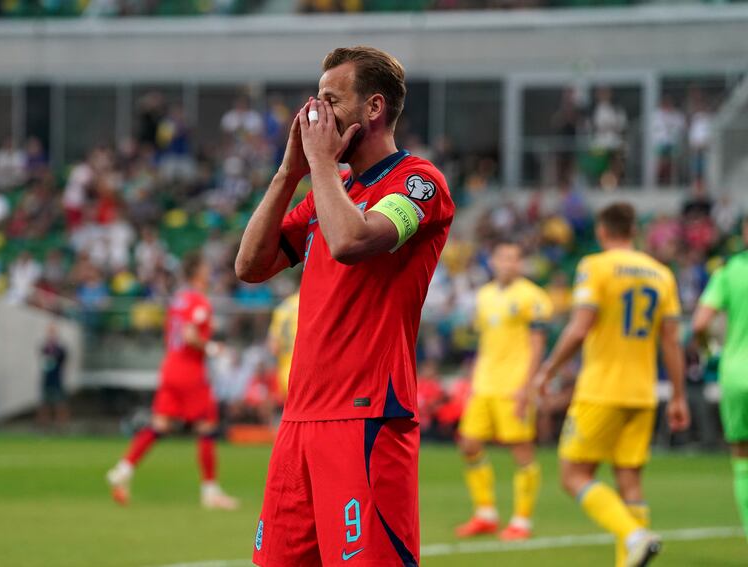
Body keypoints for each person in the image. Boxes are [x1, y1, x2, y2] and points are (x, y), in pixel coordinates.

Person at [235, 45, 454, 566]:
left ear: (373, 109)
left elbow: (352, 241)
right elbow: (249, 266)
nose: (317, 113)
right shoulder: (327, 189)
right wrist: (290, 173)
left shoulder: (419, 183)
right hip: (300, 418)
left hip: (366, 416)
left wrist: (320, 167)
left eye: (331, 100)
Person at [530, 203, 689, 567]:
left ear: (602, 232)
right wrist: (678, 396)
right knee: (629, 481)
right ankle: (632, 550)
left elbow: (580, 327)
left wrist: (549, 369)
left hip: (601, 389)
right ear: (634, 231)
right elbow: (671, 341)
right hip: (643, 393)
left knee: (573, 476)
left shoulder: (594, 267)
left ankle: (635, 535)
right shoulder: (661, 274)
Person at [106, 251, 238, 510]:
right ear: (197, 272)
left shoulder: (178, 299)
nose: (209, 272)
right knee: (207, 426)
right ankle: (210, 492)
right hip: (189, 371)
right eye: (205, 267)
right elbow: (190, 335)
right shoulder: (199, 302)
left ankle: (123, 468)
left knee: (161, 424)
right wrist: (213, 349)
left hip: (170, 367)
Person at [455, 240, 552, 541]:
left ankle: (522, 520)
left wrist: (528, 387)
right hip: (484, 384)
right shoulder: (483, 296)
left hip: (514, 386)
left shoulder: (533, 297)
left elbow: (537, 346)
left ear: (520, 264)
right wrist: (472, 380)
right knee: (469, 444)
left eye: (513, 258)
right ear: (493, 261)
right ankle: (485, 514)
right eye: (502, 257)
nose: (507, 263)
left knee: (521, 451)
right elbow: (486, 343)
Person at [692, 217, 748, 541]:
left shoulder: (728, 272)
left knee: (742, 458)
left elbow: (700, 324)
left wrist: (708, 351)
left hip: (737, 372)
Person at [266, 290, 299, 400]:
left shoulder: (282, 308)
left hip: (284, 373)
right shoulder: (309, 303)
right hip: (303, 370)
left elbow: (273, 347)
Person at [37, 322, 69, 426]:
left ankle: (61, 425)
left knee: (59, 403)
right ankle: (44, 425)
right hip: (47, 379)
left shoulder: (60, 349)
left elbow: (63, 360)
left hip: (57, 379)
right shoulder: (45, 348)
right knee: (45, 403)